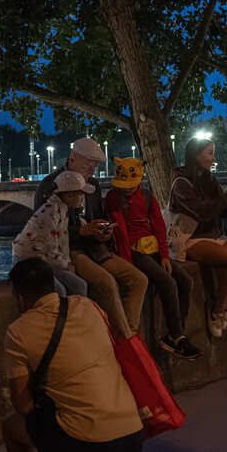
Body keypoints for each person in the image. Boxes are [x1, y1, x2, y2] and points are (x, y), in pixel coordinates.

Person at [2, 258, 144, 452]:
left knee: (11, 429)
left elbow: (23, 405)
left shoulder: (18, 331)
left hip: (90, 436)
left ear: (20, 298)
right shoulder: (89, 306)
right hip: (132, 427)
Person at [39, 139, 148, 339]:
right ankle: (125, 339)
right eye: (88, 162)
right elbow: (46, 231)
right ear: (73, 157)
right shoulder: (51, 185)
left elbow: (95, 216)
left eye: (96, 164)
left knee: (139, 279)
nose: (92, 169)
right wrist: (83, 231)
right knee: (106, 283)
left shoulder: (93, 185)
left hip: (96, 248)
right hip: (70, 251)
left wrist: (102, 231)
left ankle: (128, 334)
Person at [105, 158, 201, 360]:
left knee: (186, 281)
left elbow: (158, 225)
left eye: (131, 186)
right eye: (125, 186)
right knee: (167, 282)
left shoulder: (147, 196)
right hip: (133, 251)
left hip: (153, 248)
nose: (128, 189)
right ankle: (177, 337)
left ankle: (176, 335)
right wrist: (128, 263)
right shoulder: (113, 197)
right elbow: (120, 230)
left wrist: (165, 256)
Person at [169, 138, 227, 338]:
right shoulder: (181, 181)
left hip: (214, 235)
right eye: (209, 153)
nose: (213, 158)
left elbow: (222, 211)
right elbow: (200, 212)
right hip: (190, 238)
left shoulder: (210, 180)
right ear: (196, 154)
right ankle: (216, 311)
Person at [12, 170, 89, 297]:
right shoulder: (51, 212)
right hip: (28, 262)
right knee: (59, 291)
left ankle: (76, 315)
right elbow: (52, 247)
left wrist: (66, 263)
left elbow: (61, 242)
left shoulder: (62, 209)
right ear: (69, 195)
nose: (82, 197)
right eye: (80, 193)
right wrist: (66, 265)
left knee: (80, 285)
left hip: (44, 260)